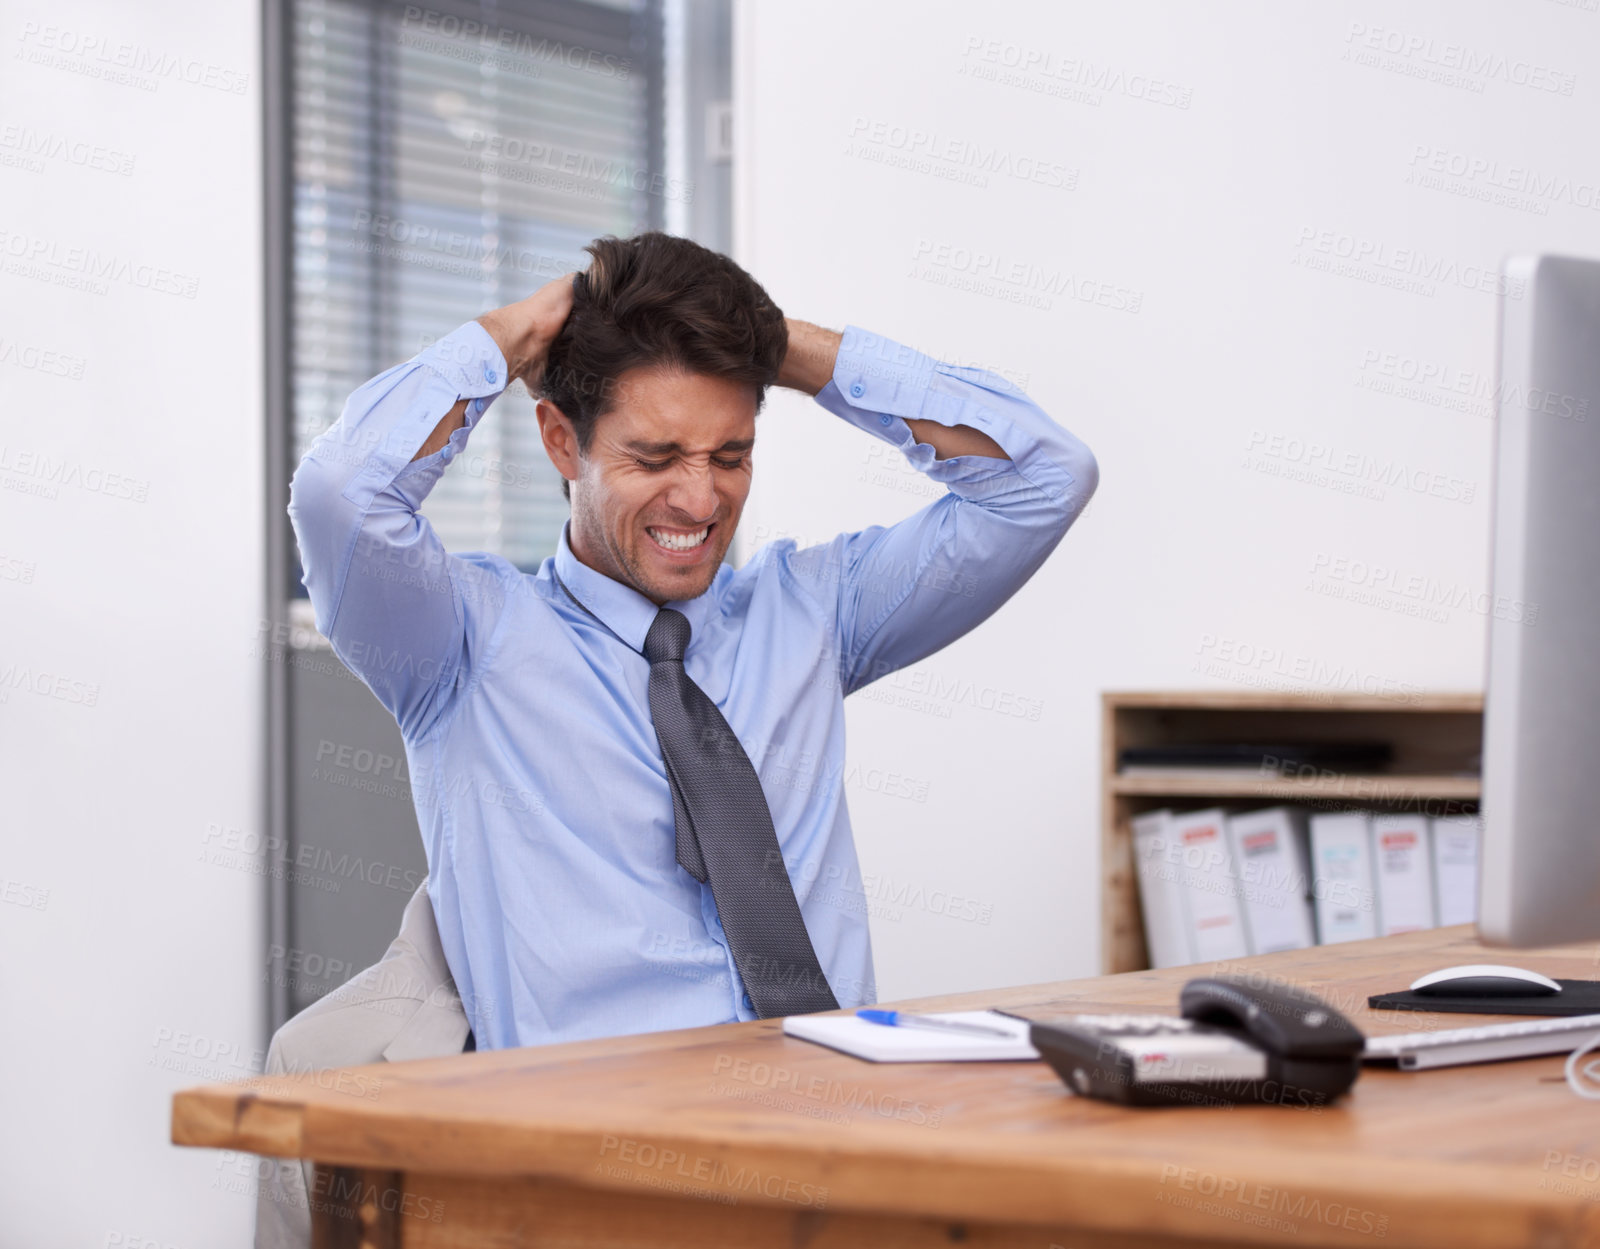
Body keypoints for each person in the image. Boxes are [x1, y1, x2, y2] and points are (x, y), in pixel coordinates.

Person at [256, 230, 1097, 1245]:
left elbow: (1046, 476)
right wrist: (510, 335)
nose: (700, 501)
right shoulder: (457, 645)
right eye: (654, 457)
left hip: (841, 1160)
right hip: (591, 1187)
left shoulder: (812, 615)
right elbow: (343, 493)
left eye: (729, 454)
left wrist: (786, 350)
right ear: (562, 442)